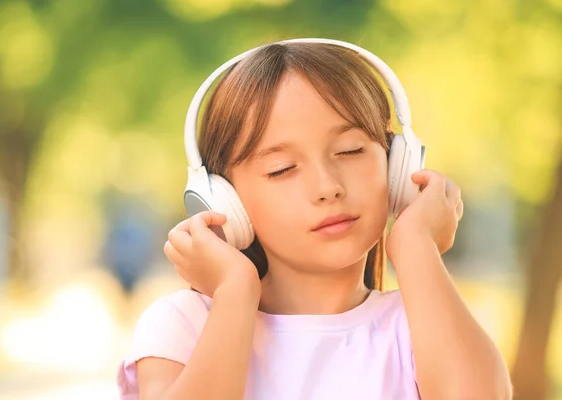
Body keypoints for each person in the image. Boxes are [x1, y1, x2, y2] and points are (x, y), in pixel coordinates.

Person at [117, 38, 512, 399]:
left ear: (397, 168)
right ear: (222, 199)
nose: (327, 186)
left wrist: (415, 246)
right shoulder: (184, 326)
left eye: (351, 150)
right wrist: (236, 292)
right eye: (282, 168)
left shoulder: (422, 326)